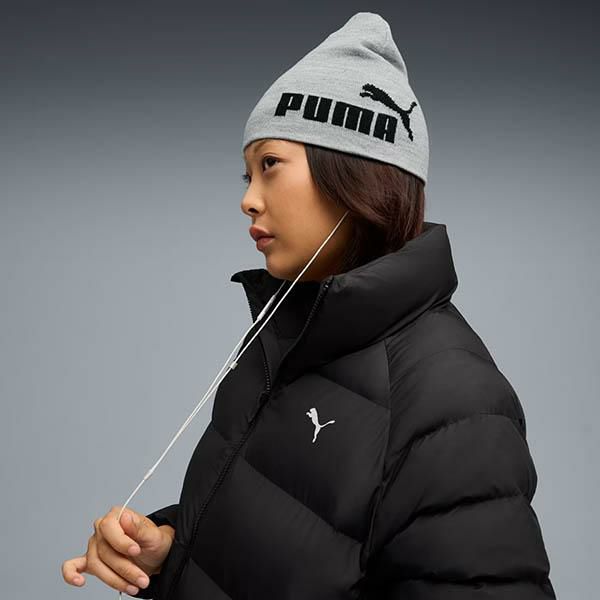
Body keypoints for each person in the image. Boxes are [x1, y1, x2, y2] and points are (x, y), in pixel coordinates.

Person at [61, 11, 557, 599]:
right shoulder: (284, 344)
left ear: (354, 174)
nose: (248, 200)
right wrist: (171, 556)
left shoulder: (453, 399)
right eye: (247, 174)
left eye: (270, 165)